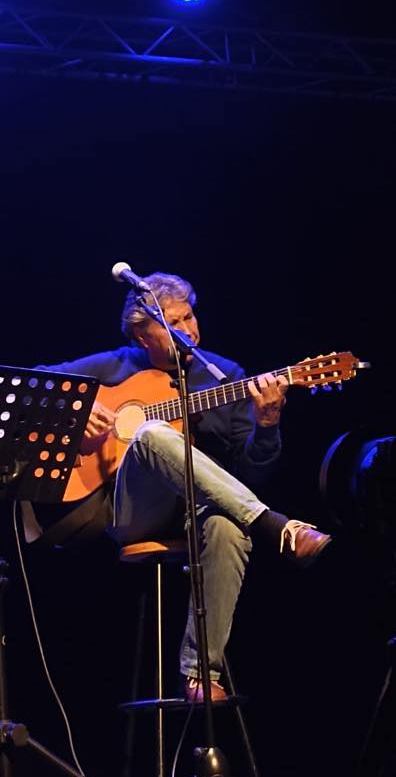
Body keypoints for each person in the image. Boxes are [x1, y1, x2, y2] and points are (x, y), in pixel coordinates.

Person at [40, 272, 331, 702]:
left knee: (229, 528)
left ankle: (198, 674)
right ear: (142, 337)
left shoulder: (224, 376)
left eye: (189, 316)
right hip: (129, 510)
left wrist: (267, 425)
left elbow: (253, 473)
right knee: (152, 433)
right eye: (172, 323)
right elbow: (36, 382)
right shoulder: (117, 365)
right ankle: (274, 526)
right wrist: (79, 408)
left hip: (198, 511)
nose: (188, 329)